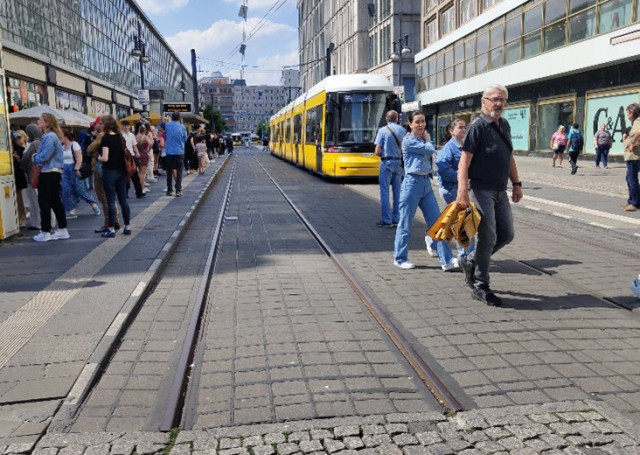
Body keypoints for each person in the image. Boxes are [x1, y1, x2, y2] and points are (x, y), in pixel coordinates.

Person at [456, 84, 522, 307]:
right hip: (480, 189)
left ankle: (471, 261)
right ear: (483, 101)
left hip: (500, 190)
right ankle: (480, 285)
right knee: (487, 237)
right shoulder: (477, 126)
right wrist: (462, 190)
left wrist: (517, 183)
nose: (498, 104)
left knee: (507, 234)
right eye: (494, 99)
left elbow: (509, 157)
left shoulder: (504, 125)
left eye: (502, 100)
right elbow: (464, 161)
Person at [393, 111, 458, 272]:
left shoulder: (421, 140)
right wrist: (428, 140)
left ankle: (447, 260)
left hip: (425, 184)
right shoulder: (408, 141)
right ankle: (400, 258)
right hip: (412, 184)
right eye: (417, 122)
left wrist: (427, 140)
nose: (421, 125)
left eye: (423, 121)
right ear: (410, 124)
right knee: (405, 224)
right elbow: (430, 150)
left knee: (437, 224)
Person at [434, 118, 475, 258]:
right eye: (460, 127)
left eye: (465, 127)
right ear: (451, 131)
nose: (463, 130)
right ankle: (466, 256)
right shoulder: (448, 149)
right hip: (452, 190)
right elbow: (445, 173)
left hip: (462, 189)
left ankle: (432, 239)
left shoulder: (466, 146)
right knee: (463, 222)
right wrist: (464, 173)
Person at [32, 113, 69, 242]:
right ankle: (62, 229)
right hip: (55, 171)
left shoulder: (49, 136)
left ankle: (45, 231)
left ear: (47, 122)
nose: (38, 120)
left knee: (44, 202)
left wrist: (34, 157)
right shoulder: (53, 136)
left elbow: (44, 156)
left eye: (40, 119)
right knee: (55, 201)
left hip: (47, 172)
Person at [98, 115, 131, 237]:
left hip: (109, 172)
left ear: (106, 125)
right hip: (121, 172)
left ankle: (111, 229)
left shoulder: (106, 138)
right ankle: (127, 226)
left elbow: (105, 158)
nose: (100, 125)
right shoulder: (120, 137)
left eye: (101, 123)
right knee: (123, 200)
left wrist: (98, 157)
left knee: (111, 200)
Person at [88, 117, 120, 233]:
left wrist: (93, 151)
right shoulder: (115, 135)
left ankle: (108, 223)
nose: (98, 125)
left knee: (104, 198)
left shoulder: (102, 136)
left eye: (100, 123)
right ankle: (115, 220)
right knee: (111, 197)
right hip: (112, 169)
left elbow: (90, 149)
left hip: (101, 170)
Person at [374, 110, 405, 228]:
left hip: (387, 162)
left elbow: (377, 151)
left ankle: (386, 220)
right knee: (398, 192)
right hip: (399, 163)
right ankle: (396, 218)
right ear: (397, 119)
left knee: (385, 192)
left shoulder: (382, 131)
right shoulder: (403, 131)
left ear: (387, 119)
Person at [60, 129, 100, 218]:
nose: (59, 138)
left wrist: (77, 169)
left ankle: (93, 204)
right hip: (65, 171)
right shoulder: (62, 147)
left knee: (80, 189)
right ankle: (72, 210)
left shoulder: (74, 144)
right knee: (66, 191)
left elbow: (79, 158)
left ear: (65, 136)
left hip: (73, 169)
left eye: (60, 136)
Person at [22, 124, 42, 230]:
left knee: (35, 200)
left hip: (33, 175)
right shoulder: (43, 141)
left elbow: (25, 160)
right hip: (40, 175)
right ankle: (49, 222)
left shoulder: (34, 144)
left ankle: (37, 222)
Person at [622, 103, 640, 212]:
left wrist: (633, 143)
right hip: (632, 155)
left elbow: (639, 132)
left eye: (627, 113)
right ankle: (631, 201)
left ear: (632, 113)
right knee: (629, 178)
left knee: (632, 179)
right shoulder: (635, 122)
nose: (627, 115)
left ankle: (634, 203)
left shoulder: (638, 121)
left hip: (634, 155)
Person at [164, 112, 188, 196]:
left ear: (172, 117)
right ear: (179, 118)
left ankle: (169, 190)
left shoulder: (167, 125)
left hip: (169, 151)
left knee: (169, 171)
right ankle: (178, 190)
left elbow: (162, 126)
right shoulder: (182, 127)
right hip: (179, 151)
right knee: (179, 171)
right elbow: (185, 138)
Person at [120, 120, 144, 198]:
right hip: (124, 157)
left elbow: (134, 145)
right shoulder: (120, 135)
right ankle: (125, 193)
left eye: (127, 125)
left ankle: (139, 192)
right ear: (122, 126)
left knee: (135, 175)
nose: (126, 127)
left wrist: (137, 152)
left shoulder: (131, 135)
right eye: (124, 125)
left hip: (132, 157)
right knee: (125, 176)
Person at [11, 130, 28, 227]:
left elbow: (22, 162)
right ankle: (18, 218)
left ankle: (22, 218)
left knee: (19, 197)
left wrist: (17, 158)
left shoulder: (19, 148)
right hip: (14, 174)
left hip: (18, 175)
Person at [136, 123, 153, 194]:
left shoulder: (136, 136)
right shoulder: (145, 137)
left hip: (138, 154)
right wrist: (148, 150)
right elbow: (151, 143)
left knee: (139, 172)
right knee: (143, 173)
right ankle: (141, 188)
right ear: (145, 131)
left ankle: (139, 188)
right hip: (144, 154)